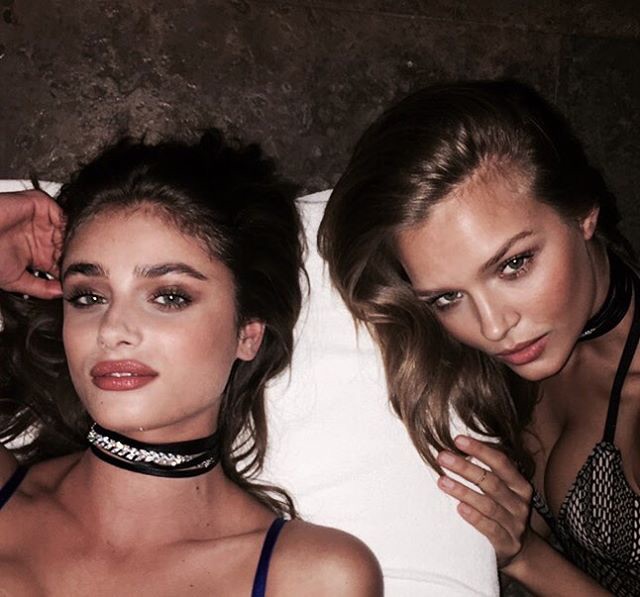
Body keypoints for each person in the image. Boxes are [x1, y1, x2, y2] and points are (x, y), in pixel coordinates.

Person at [0, 131, 383, 595]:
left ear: (247, 333)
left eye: (169, 297)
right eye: (89, 296)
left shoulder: (312, 577)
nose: (112, 329)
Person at [318, 80, 638, 595]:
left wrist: (526, 556)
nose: (492, 328)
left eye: (514, 265)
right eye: (448, 296)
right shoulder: (489, 356)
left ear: (583, 212)